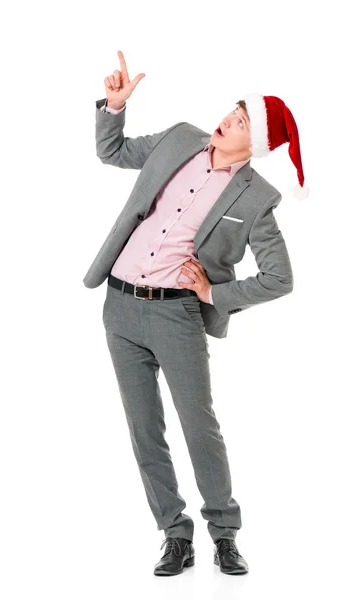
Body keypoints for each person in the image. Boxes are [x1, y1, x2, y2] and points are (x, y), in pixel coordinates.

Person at [83, 50, 308, 577]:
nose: (228, 118)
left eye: (243, 119)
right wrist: (113, 108)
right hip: (118, 304)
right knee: (144, 428)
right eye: (233, 109)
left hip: (176, 315)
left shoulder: (258, 197)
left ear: (258, 144)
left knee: (198, 426)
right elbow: (112, 152)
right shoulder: (181, 137)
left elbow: (281, 278)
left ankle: (224, 533)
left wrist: (213, 294)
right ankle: (174, 534)